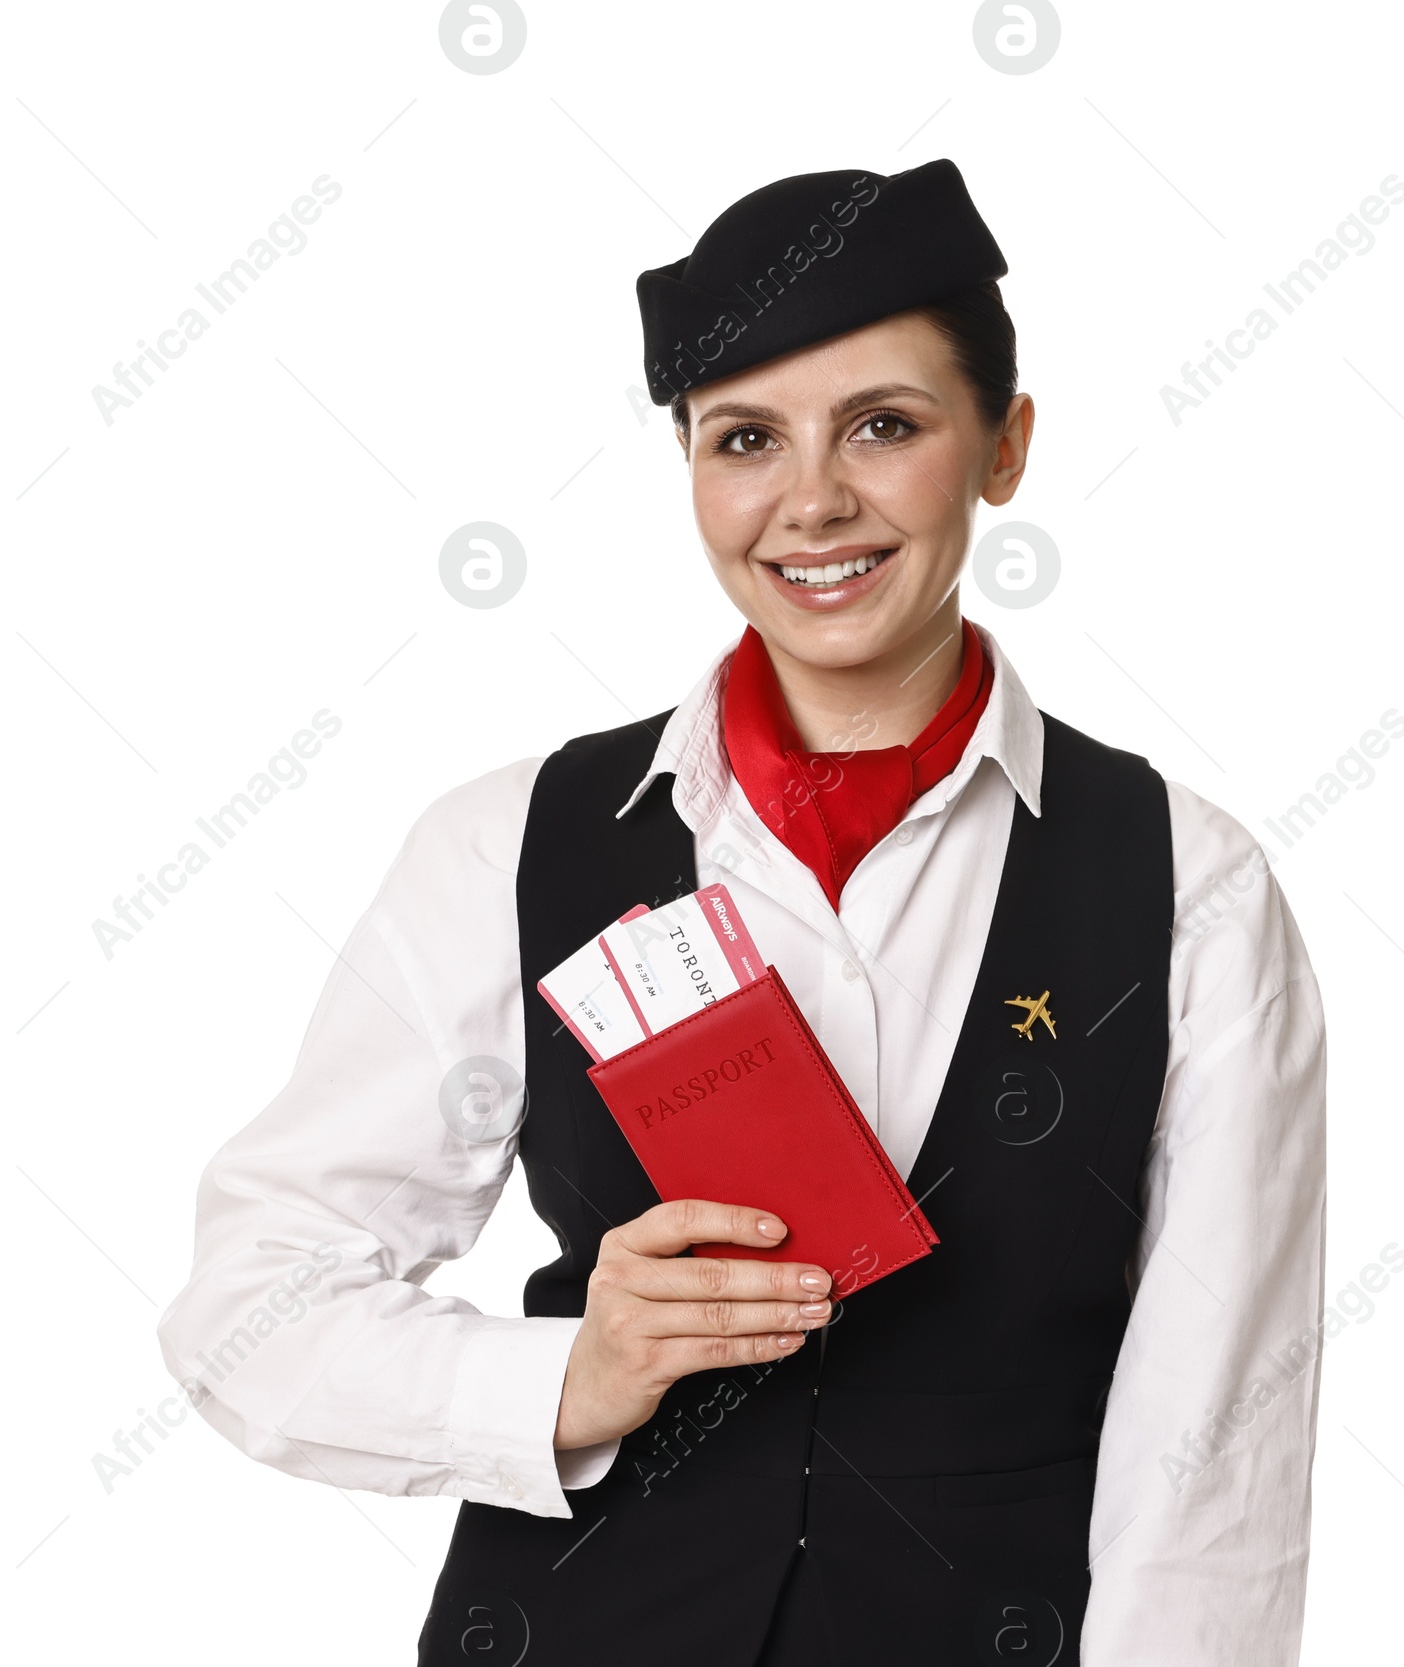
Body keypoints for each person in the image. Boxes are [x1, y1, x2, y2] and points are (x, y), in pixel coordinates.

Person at [158, 159, 1327, 1667]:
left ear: (1006, 446)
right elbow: (246, 1305)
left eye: (885, 427)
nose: (812, 500)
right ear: (693, 471)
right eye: (746, 441)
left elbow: (1217, 1458)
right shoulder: (503, 846)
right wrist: (566, 1380)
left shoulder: (1193, 891)